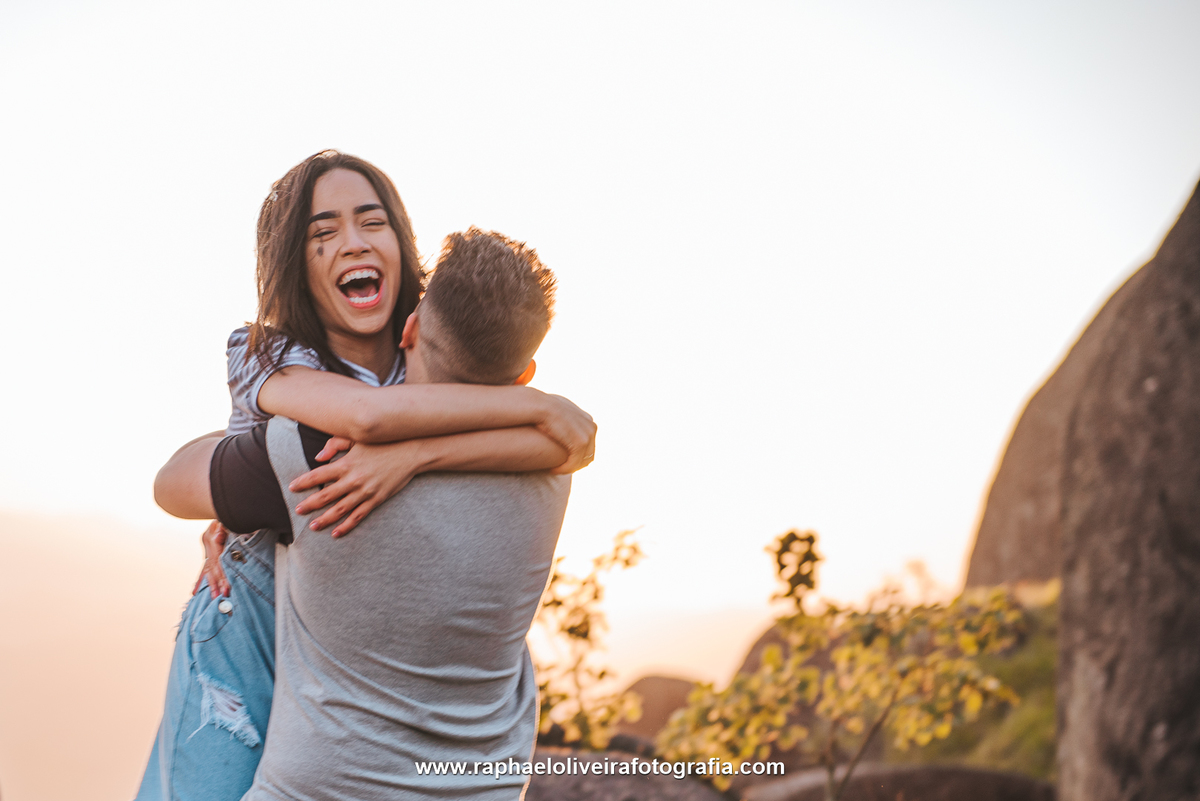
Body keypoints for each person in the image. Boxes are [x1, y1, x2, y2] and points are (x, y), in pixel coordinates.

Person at [135, 152, 595, 801]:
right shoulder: (270, 355)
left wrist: (411, 456)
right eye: (322, 233)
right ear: (295, 265)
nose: (352, 241)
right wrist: (540, 406)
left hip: (347, 651)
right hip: (255, 614)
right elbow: (365, 418)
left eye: (371, 222)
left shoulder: (434, 348)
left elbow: (564, 448)